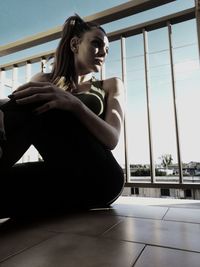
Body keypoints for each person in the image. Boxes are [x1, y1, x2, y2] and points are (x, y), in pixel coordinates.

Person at [0, 14, 125, 218]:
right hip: (60, 175)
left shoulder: (110, 85)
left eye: (107, 49)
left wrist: (74, 104)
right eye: (97, 44)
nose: (103, 52)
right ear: (75, 44)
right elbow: (16, 108)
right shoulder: (44, 80)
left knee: (42, 96)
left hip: (101, 176)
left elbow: (112, 138)